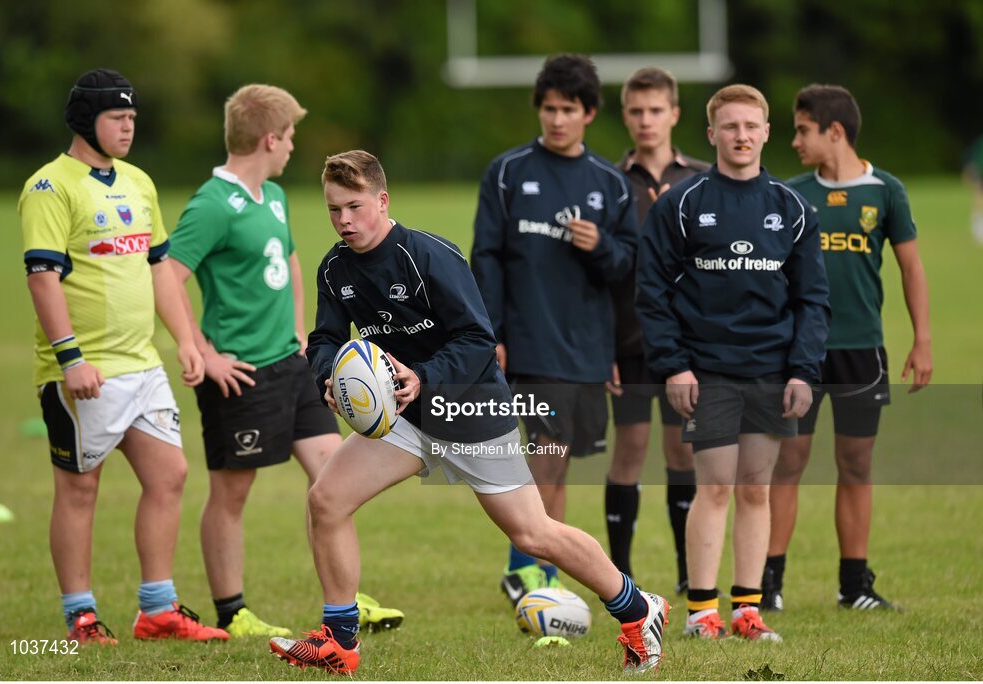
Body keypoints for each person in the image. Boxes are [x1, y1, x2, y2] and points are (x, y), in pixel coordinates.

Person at [266, 150, 668, 675]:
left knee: (533, 534)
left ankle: (640, 610)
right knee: (327, 499)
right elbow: (323, 340)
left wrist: (423, 376)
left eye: (354, 206)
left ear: (382, 201)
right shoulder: (335, 268)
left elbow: (480, 340)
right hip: (404, 417)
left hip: (470, 409)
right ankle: (340, 642)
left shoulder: (429, 256)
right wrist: (329, 378)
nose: (344, 220)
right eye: (334, 209)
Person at [168, 84, 403, 637]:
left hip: (291, 366)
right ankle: (233, 610)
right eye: (291, 135)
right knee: (232, 492)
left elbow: (292, 262)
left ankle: (345, 600)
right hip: (242, 372)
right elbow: (168, 275)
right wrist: (201, 351)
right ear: (270, 138)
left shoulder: (271, 197)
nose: (294, 145)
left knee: (333, 479)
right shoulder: (211, 204)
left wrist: (301, 334)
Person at [18, 68, 228, 643]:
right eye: (118, 117)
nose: (129, 126)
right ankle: (80, 616)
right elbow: (43, 280)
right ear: (88, 120)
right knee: (80, 487)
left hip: (143, 365)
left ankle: (157, 609)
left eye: (133, 117)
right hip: (86, 370)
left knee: (171, 475)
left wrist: (186, 340)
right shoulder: (49, 187)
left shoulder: (139, 182)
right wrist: (71, 360)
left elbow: (159, 266)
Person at [636, 84, 830, 642]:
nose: (741, 136)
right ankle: (702, 613)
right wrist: (674, 365)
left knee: (755, 488)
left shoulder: (792, 209)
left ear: (767, 132)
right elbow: (652, 292)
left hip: (772, 370)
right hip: (707, 369)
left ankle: (747, 609)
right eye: (731, 127)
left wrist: (802, 370)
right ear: (711, 134)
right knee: (715, 485)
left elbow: (812, 300)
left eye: (751, 126)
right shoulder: (683, 202)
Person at [470, 54, 640, 605]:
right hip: (527, 342)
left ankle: (539, 577)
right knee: (542, 458)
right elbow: (486, 257)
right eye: (549, 109)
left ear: (589, 113)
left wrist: (602, 247)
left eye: (568, 109)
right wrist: (489, 332)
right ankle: (528, 576)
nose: (557, 119)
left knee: (557, 463)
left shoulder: (610, 184)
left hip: (585, 348)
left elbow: (626, 268)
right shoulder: (507, 171)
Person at [762, 84, 932, 612]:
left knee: (856, 464)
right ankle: (767, 583)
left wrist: (922, 339)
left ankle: (854, 586)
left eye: (803, 130)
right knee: (788, 461)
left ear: (834, 132)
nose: (794, 141)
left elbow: (911, 268)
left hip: (862, 349)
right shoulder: (788, 193)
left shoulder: (887, 191)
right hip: (798, 354)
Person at [605, 66, 709, 593]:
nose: (646, 121)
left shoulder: (703, 178)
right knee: (629, 448)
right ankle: (620, 577)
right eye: (636, 112)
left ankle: (691, 573)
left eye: (655, 111)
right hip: (627, 342)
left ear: (674, 114)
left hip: (689, 346)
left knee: (682, 452)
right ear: (625, 116)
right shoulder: (608, 181)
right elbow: (596, 276)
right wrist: (603, 346)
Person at [962, 134, 983, 245]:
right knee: (979, 198)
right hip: (981, 174)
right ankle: (978, 225)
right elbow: (973, 157)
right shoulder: (980, 142)